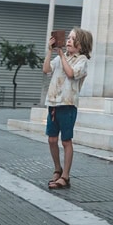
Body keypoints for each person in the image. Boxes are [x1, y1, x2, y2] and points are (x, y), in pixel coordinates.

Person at [43, 26, 93, 189]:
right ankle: (57, 169)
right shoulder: (60, 57)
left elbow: (71, 73)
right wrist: (50, 51)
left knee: (66, 141)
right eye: (68, 38)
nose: (68, 41)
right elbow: (46, 70)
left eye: (72, 38)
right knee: (51, 139)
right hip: (53, 103)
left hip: (68, 104)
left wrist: (60, 55)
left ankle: (65, 176)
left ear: (81, 44)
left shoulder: (82, 60)